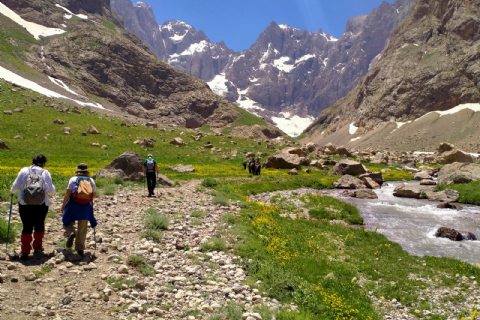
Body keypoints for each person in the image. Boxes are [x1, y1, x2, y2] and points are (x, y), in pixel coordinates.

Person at [10, 154, 56, 260]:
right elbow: (51, 191)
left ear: (33, 162)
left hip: (25, 203)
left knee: (27, 226)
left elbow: (16, 185)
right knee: (39, 224)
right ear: (43, 163)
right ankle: (37, 247)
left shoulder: (24, 170)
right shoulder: (45, 172)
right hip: (41, 204)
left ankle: (25, 250)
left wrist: (12, 192)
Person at [61, 163, 97, 257]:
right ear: (87, 171)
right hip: (85, 206)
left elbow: (68, 193)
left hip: (74, 204)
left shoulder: (73, 179)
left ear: (77, 170)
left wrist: (63, 205)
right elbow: (93, 195)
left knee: (67, 220)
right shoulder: (91, 180)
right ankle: (80, 249)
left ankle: (71, 232)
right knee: (82, 227)